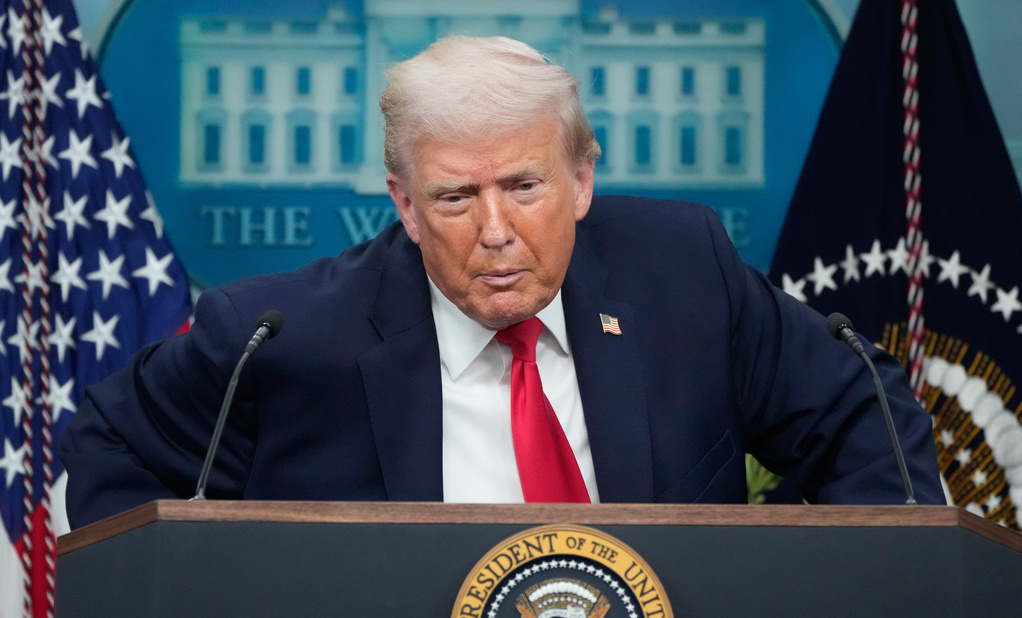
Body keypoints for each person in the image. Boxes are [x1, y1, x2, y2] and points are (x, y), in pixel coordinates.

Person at [58, 36, 943, 529]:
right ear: (404, 206)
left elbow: (863, 413)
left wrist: (849, 607)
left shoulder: (684, 270)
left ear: (582, 179)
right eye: (454, 196)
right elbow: (112, 446)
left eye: (523, 186)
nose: (494, 230)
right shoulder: (282, 335)